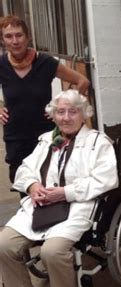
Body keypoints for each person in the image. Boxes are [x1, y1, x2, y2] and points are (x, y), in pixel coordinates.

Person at [0, 89, 118, 287]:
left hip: (76, 207)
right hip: (42, 206)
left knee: (51, 251)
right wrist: (33, 186)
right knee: (3, 244)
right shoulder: (46, 140)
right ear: (53, 115)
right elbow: (25, 169)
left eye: (72, 111)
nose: (66, 117)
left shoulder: (99, 143)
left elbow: (106, 180)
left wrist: (65, 192)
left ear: (84, 114)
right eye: (60, 112)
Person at [0, 15, 90, 184]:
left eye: (19, 35)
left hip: (46, 135)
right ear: (3, 40)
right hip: (16, 137)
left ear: (28, 37)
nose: (15, 41)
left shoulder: (45, 62)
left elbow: (82, 81)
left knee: (50, 180)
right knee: (23, 184)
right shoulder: (2, 64)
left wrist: (62, 107)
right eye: (8, 36)